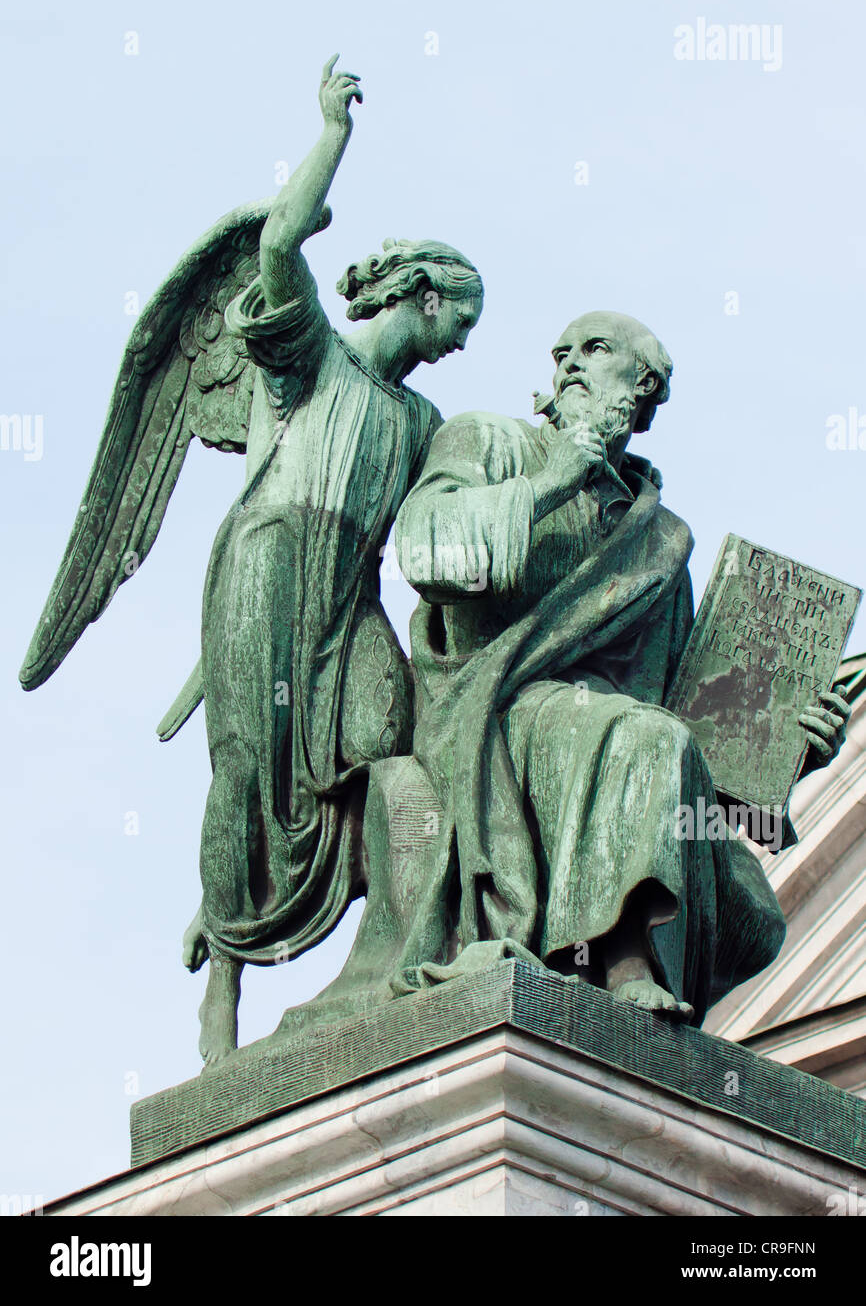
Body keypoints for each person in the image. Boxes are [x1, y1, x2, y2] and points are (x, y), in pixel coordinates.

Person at [393, 311, 848, 1023]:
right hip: (492, 708)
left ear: (643, 386)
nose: (569, 363)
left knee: (751, 910)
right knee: (644, 737)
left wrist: (788, 759)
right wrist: (553, 481)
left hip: (617, 741)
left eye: (595, 349)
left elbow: (690, 726)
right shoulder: (489, 440)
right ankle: (622, 963)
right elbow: (426, 549)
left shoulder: (663, 540)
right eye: (561, 352)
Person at [187, 56, 484, 1061]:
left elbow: (444, 530)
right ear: (426, 295)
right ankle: (221, 974)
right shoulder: (313, 351)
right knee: (245, 769)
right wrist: (331, 135)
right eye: (460, 322)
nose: (456, 345)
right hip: (267, 569)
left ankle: (395, 941)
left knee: (387, 739)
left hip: (350, 592)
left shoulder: (422, 417)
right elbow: (277, 241)